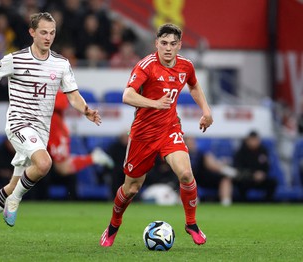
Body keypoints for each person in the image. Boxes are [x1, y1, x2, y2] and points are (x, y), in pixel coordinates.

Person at [0, 12, 103, 243]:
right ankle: (15, 199)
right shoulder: (16, 59)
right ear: (32, 32)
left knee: (13, 183)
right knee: (45, 163)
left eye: (52, 33)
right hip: (19, 124)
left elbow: (73, 96)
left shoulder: (60, 64)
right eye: (43, 32)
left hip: (41, 130)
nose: (48, 37)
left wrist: (86, 110)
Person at [99, 23, 213, 247]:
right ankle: (113, 225)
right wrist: (155, 104)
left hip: (170, 129)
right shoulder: (146, 66)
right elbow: (127, 95)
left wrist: (206, 111)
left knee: (186, 174)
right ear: (156, 44)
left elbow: (194, 86)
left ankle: (191, 223)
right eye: (163, 43)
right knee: (131, 188)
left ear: (179, 45)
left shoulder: (186, 66)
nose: (168, 48)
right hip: (143, 133)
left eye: (172, 44)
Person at [184, 136, 237, 206]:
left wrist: (224, 169)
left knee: (225, 179)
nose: (191, 143)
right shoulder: (182, 154)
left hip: (203, 176)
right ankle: (189, 201)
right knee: (186, 178)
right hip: (189, 178)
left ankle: (226, 203)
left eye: (192, 141)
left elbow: (210, 164)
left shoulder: (201, 153)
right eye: (189, 141)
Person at [233, 131, 277, 202]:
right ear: (248, 141)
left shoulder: (263, 151)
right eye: (252, 140)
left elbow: (267, 166)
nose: (254, 142)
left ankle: (267, 202)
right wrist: (252, 174)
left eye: (256, 140)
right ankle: (243, 202)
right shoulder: (241, 152)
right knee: (241, 183)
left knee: (273, 182)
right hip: (247, 178)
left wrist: (262, 174)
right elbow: (238, 168)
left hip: (261, 178)